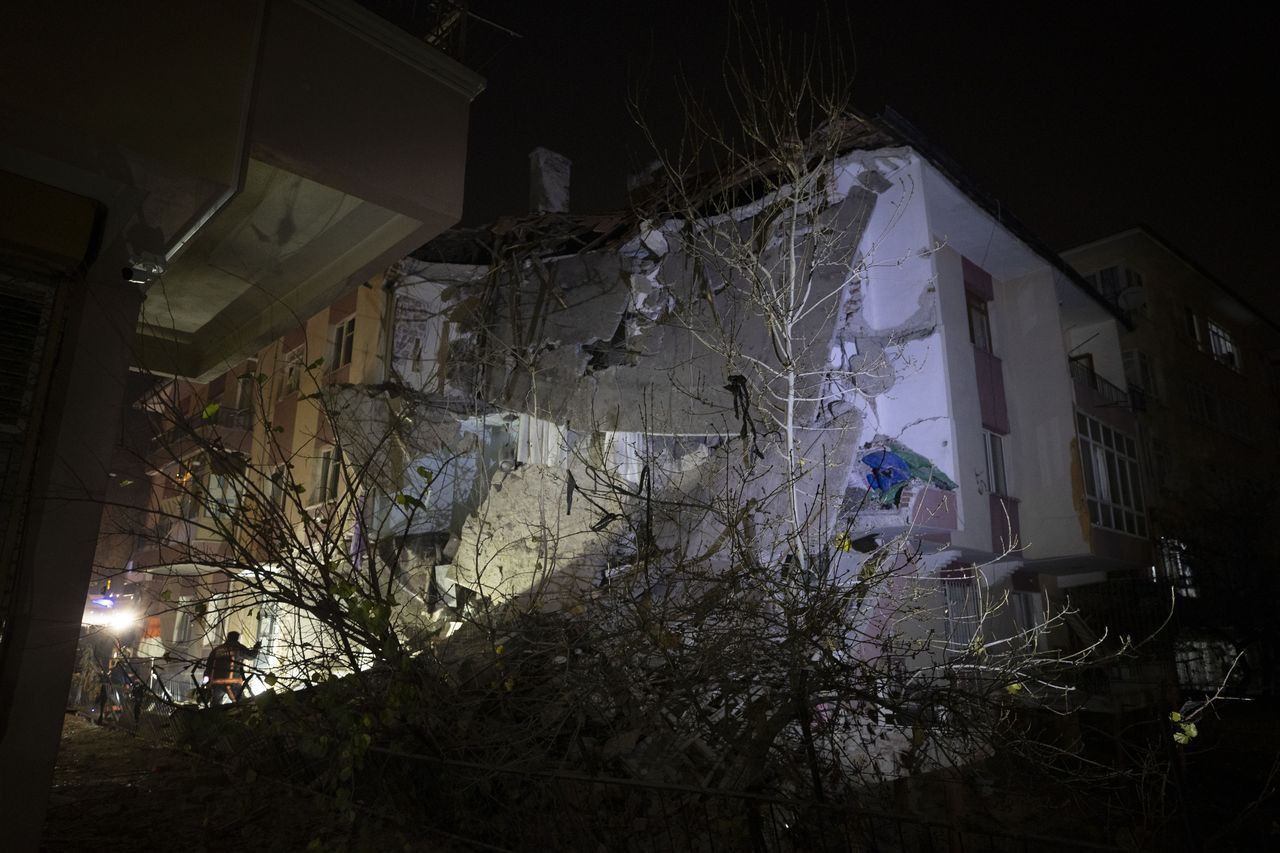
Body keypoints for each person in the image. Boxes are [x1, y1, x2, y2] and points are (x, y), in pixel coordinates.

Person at [202, 631, 261, 706]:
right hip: (232, 682)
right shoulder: (238, 648)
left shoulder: (217, 649)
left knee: (215, 706)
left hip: (216, 682)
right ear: (237, 638)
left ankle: (213, 717)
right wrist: (256, 648)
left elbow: (208, 666)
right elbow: (251, 656)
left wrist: (207, 681)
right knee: (242, 704)